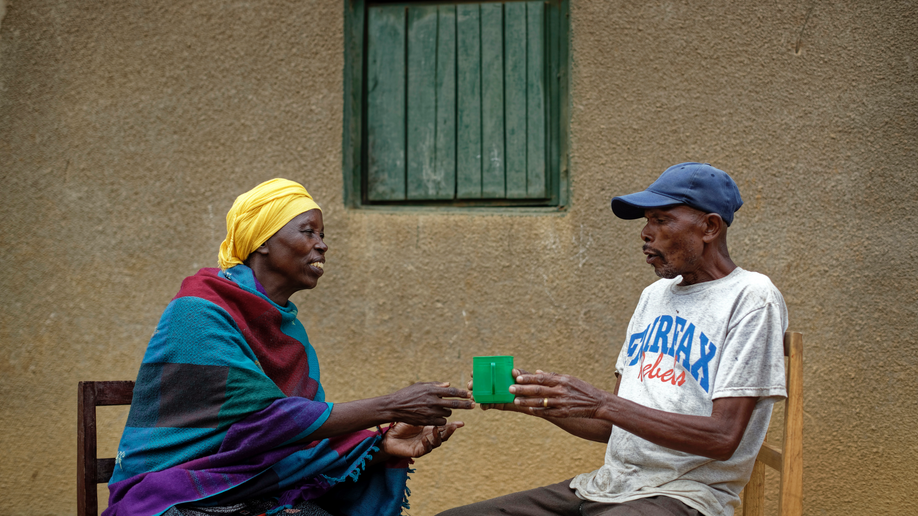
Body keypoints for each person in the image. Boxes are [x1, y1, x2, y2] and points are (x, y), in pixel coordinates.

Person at [106, 179, 473, 516]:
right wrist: (390, 406)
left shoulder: (288, 331)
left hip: (241, 492)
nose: (323, 244)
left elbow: (295, 440)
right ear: (262, 241)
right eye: (308, 231)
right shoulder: (198, 312)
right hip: (169, 495)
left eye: (323, 234)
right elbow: (268, 423)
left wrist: (380, 445)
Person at [440, 163, 788, 516]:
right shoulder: (654, 296)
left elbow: (722, 437)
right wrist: (536, 401)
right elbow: (610, 424)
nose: (646, 233)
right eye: (646, 220)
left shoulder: (751, 296)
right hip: (606, 487)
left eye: (662, 220)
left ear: (710, 226)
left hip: (685, 496)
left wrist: (600, 402)